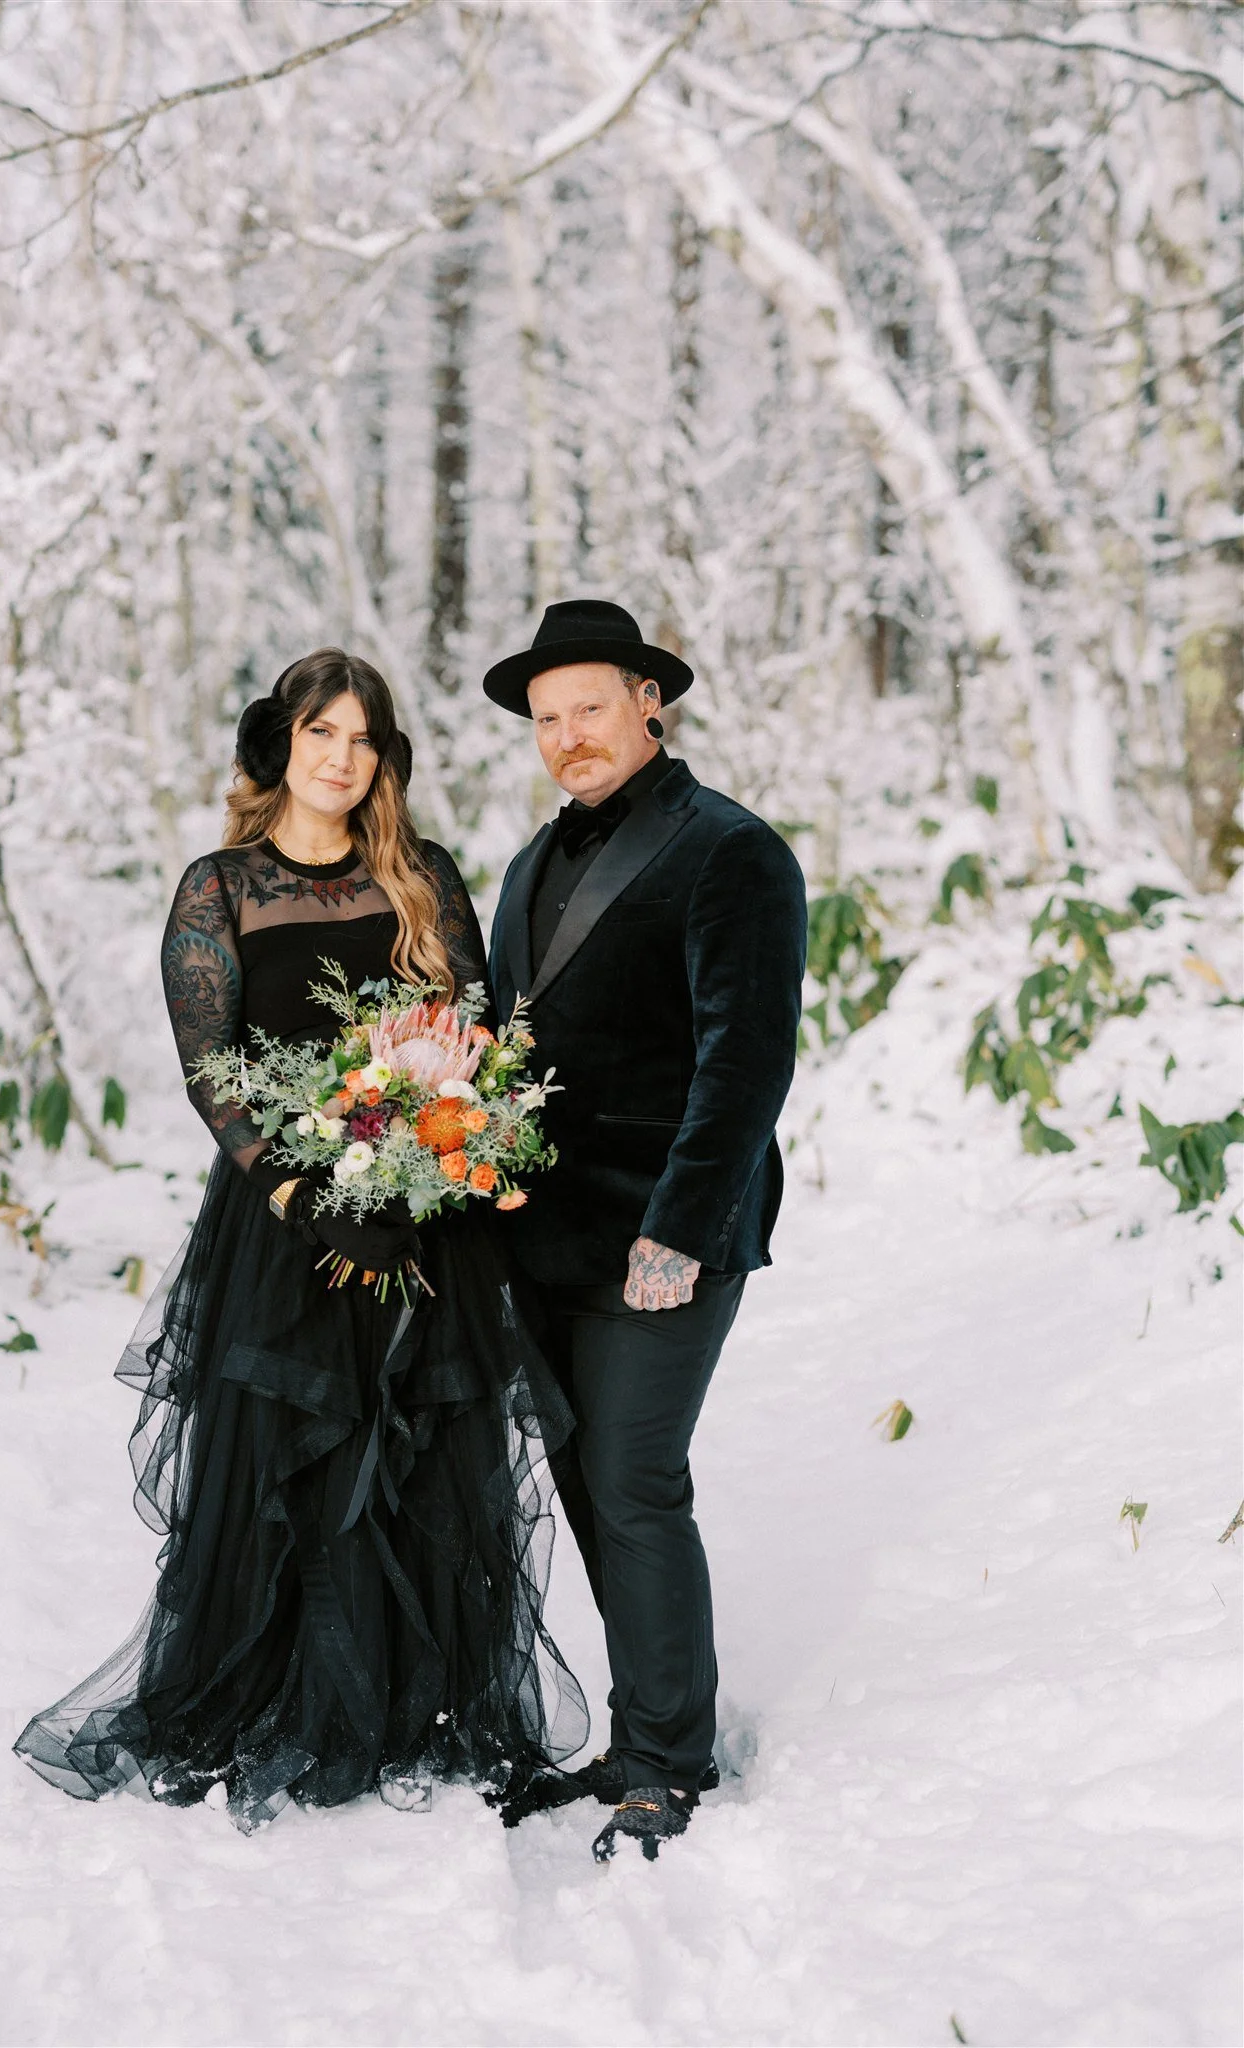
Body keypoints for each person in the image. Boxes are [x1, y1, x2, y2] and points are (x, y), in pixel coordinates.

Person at [15, 648, 585, 1829]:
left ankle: (410, 1703)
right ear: (280, 742)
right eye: (321, 731)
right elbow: (212, 1068)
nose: (341, 756)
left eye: (363, 737)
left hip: (428, 1215)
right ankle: (270, 1698)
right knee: (285, 1461)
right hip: (283, 1220)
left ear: (384, 757)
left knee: (426, 1462)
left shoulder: (423, 877)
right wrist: (304, 1195)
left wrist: (429, 1165)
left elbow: (467, 1037)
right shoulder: (219, 888)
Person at [484, 599, 807, 1863]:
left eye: (590, 708)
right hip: (542, 1235)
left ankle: (669, 1761)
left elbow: (747, 1062)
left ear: (649, 702)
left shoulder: (731, 851)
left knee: (633, 1478)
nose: (568, 735)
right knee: (583, 1483)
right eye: (547, 718)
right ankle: (642, 1729)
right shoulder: (529, 864)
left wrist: (677, 1229)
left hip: (665, 1232)